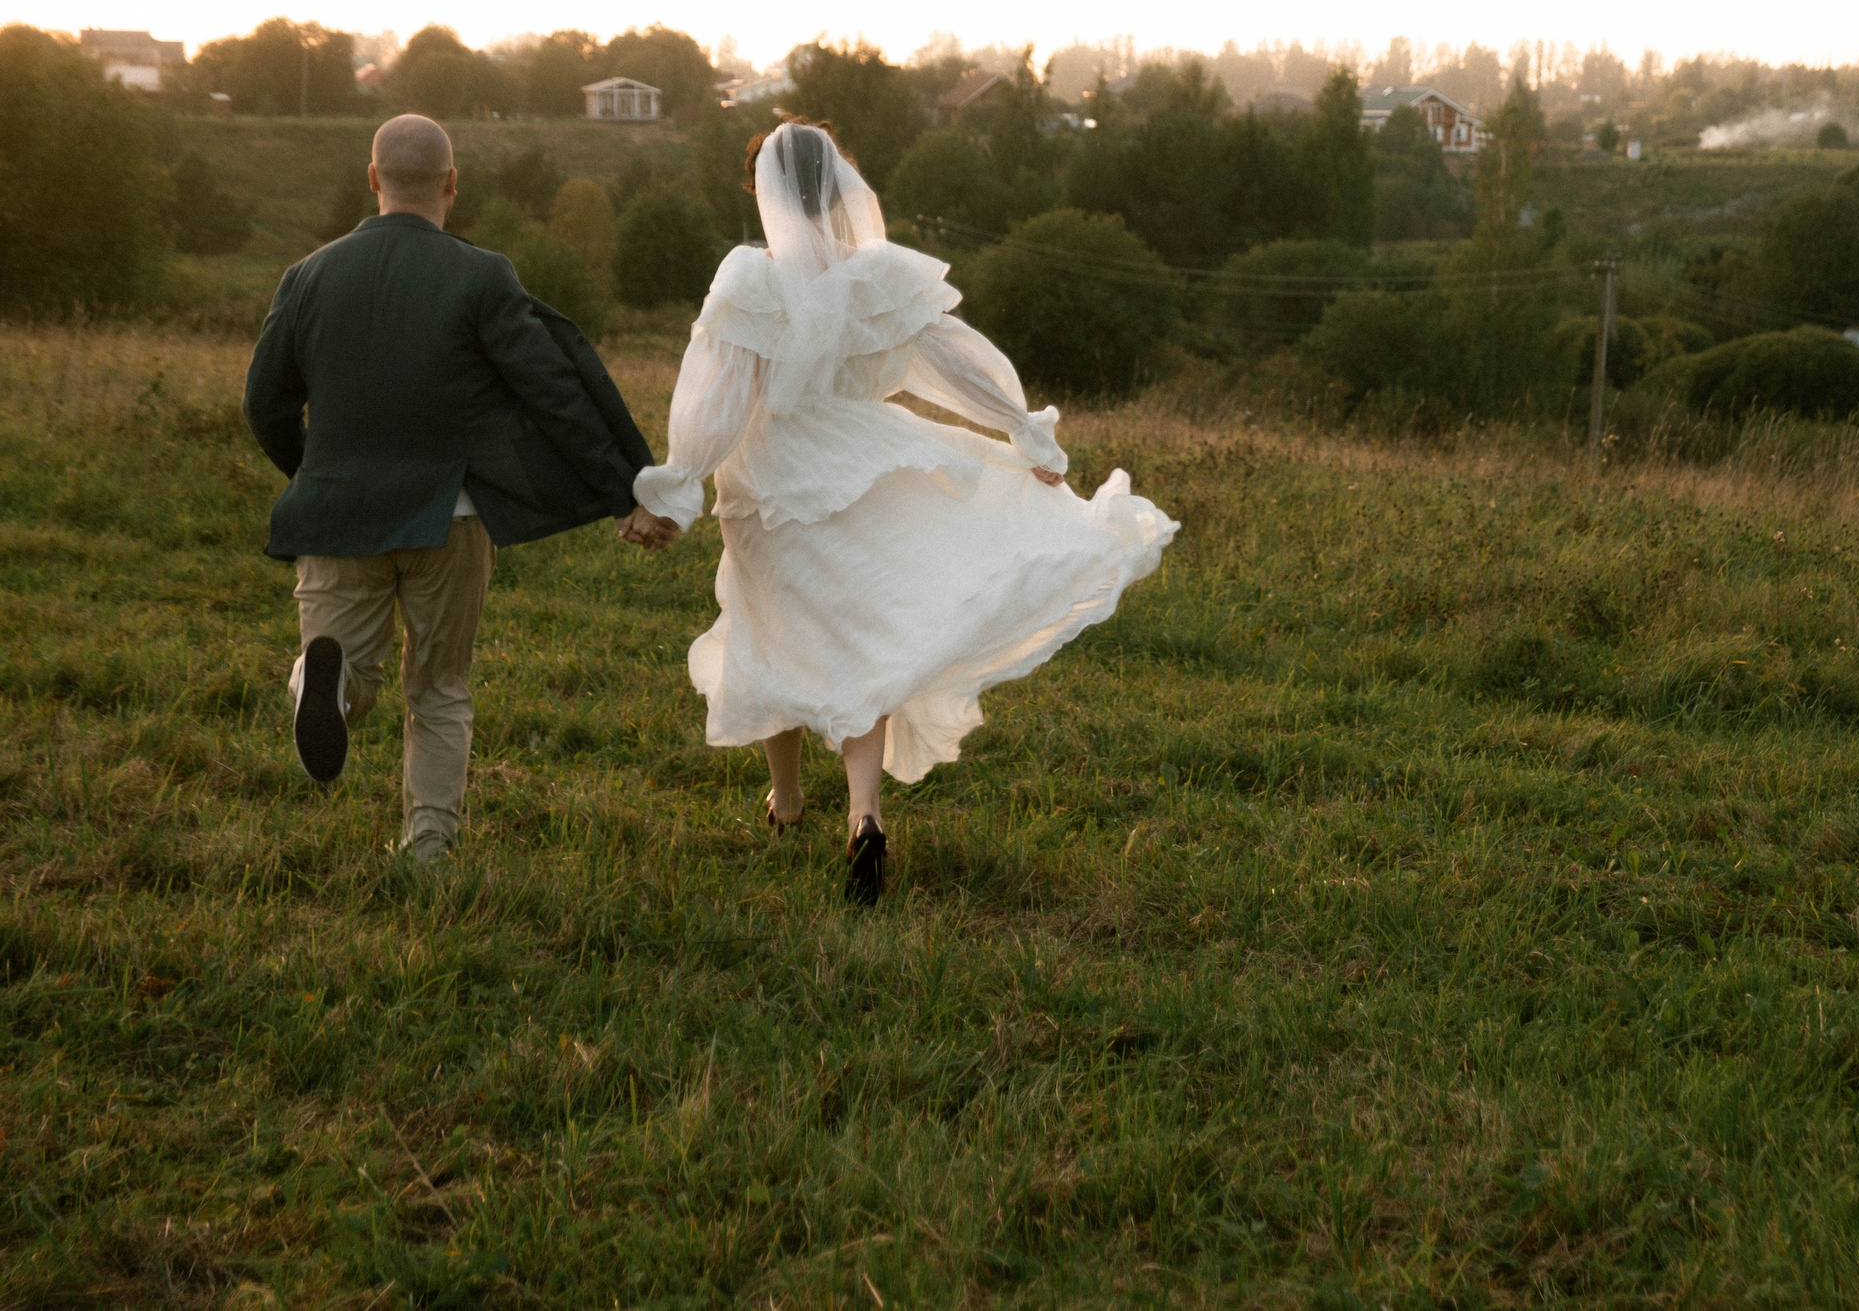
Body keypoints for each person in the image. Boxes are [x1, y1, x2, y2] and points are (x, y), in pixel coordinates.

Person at [631, 118, 1176, 904]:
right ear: (839, 180)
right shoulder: (874, 273)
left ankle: (787, 802)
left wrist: (677, 487)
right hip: (860, 462)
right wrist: (1023, 430)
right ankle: (864, 811)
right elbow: (954, 361)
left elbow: (714, 399)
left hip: (773, 480)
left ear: (761, 189)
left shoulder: (749, 278)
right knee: (860, 637)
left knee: (765, 624)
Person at [243, 113, 677, 863]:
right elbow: (556, 393)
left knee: (357, 673)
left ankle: (332, 680)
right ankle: (429, 845)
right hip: (453, 515)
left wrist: (315, 471)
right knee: (438, 685)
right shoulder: (482, 275)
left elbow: (264, 404)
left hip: (337, 508)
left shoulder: (307, 275)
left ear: (373, 178)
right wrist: (624, 490)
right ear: (452, 183)